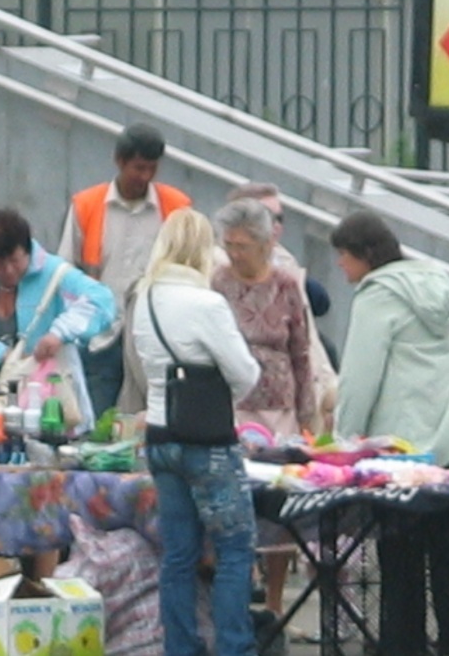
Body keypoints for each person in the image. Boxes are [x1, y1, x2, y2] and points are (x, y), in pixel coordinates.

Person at [331, 211, 449, 656]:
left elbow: (360, 374)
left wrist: (344, 437)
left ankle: (404, 646)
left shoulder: (377, 296)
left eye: (343, 257)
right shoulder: (441, 281)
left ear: (366, 255)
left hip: (403, 450)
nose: (340, 266)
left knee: (401, 565)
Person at [132, 209, 260, 656]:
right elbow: (245, 373)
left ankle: (181, 648)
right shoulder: (206, 304)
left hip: (160, 437)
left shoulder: (143, 299)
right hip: (207, 442)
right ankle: (233, 648)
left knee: (179, 556)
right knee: (234, 549)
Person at [211, 196, 314, 623]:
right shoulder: (218, 282)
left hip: (279, 405)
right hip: (234, 406)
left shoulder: (288, 284)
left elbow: (302, 352)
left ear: (264, 243)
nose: (235, 253)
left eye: (243, 245)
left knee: (279, 504)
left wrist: (308, 417)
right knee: (236, 503)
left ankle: (274, 601)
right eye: (229, 244)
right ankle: (239, 595)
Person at [59, 122, 192, 419]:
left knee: (153, 421)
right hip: (100, 336)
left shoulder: (176, 208)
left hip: (155, 334)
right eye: (138, 168)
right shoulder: (87, 205)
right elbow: (65, 270)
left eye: (151, 169)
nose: (144, 177)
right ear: (119, 161)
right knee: (95, 419)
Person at [0, 207, 115, 411]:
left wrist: (59, 333)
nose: (9, 270)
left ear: (27, 249)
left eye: (15, 260)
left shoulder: (55, 273)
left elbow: (102, 301)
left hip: (49, 406)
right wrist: (3, 355)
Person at [227, 181, 338, 435]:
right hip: (247, 406)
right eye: (268, 217)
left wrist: (325, 384)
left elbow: (306, 338)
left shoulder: (285, 262)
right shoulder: (221, 271)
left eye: (281, 218)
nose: (277, 225)